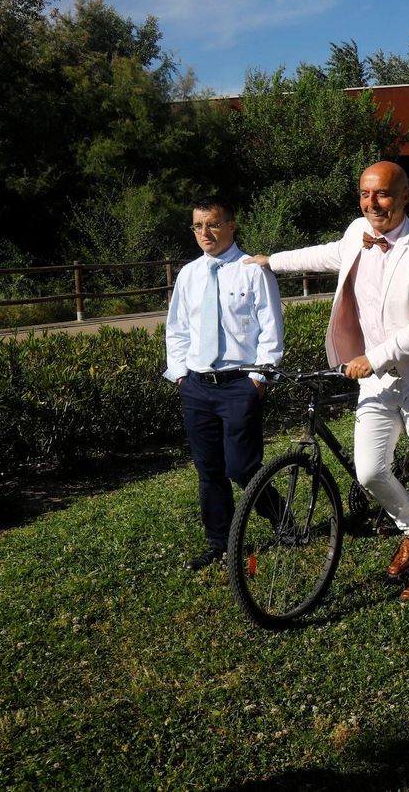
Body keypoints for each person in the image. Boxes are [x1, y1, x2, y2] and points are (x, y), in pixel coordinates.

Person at [248, 162, 409, 601]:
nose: (372, 203)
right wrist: (271, 261)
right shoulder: (356, 233)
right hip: (376, 381)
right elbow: (323, 254)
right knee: (369, 470)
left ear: (405, 195)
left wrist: (375, 357)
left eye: (382, 194)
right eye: (366, 194)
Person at [164, 198, 285, 571]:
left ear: (232, 225)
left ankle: (281, 518)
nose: (205, 233)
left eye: (213, 224)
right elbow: (177, 328)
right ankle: (220, 544)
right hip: (197, 385)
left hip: (239, 385)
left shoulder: (253, 271)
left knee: (241, 467)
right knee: (209, 471)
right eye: (198, 226)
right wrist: (180, 374)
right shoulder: (189, 274)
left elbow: (271, 327)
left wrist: (258, 378)